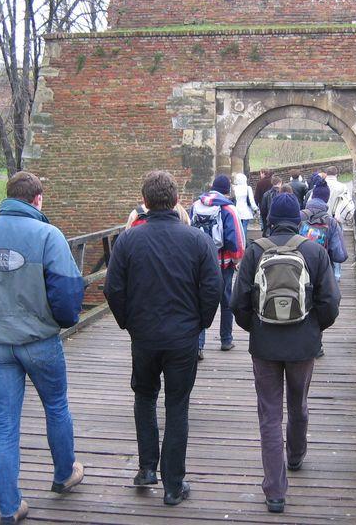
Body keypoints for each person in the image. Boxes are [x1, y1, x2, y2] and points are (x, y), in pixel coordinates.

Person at [0, 171, 86, 525]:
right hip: (39, 341)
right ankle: (64, 474)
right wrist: (62, 321)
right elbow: (67, 291)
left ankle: (9, 506)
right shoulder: (48, 235)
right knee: (56, 406)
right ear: (37, 199)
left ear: (8, 196)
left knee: (4, 422)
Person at [104, 171, 221, 506]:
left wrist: (128, 322)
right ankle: (173, 484)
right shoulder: (197, 240)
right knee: (177, 405)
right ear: (176, 200)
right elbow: (212, 287)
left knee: (144, 398)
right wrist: (200, 323)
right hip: (182, 336)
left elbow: (113, 288)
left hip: (144, 335)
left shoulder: (128, 240)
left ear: (145, 201)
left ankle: (146, 469)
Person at [231, 193, 340, 514]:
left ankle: (275, 492)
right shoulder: (314, 252)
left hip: (264, 345)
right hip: (303, 345)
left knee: (269, 415)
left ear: (270, 220)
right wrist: (314, 328)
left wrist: (256, 327)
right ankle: (295, 455)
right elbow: (330, 303)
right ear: (298, 220)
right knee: (298, 403)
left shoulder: (255, 251)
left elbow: (238, 302)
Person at [190, 174, 245, 358]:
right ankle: (226, 339)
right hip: (223, 262)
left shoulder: (196, 205)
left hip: (199, 261)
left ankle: (198, 345)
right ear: (227, 190)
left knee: (199, 300)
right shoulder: (228, 208)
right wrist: (237, 260)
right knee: (226, 300)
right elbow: (234, 238)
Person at [300, 182, 348, 357]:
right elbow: (340, 255)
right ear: (327, 199)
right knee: (319, 306)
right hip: (321, 271)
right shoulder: (331, 222)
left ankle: (297, 340)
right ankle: (316, 345)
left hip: (297, 269)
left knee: (299, 302)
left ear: (312, 197)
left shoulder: (299, 216)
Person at [232, 172, 258, 241]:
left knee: (238, 227)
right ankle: (244, 241)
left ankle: (238, 240)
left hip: (237, 209)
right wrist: (255, 209)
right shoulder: (248, 188)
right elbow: (251, 200)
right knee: (245, 226)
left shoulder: (234, 188)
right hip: (246, 209)